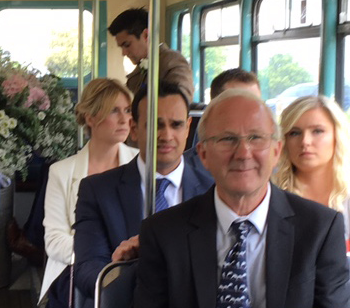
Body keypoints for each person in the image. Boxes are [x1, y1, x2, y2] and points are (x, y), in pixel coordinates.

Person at [135, 89, 350, 308]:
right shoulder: (164, 233)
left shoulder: (320, 229)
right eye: (228, 139)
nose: (243, 153)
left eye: (256, 138)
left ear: (276, 151)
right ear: (203, 154)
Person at [73, 82, 213, 308]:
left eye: (176, 125)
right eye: (156, 125)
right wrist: (118, 268)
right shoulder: (98, 191)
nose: (166, 135)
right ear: (134, 128)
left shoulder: (212, 189)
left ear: (188, 128)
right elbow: (87, 269)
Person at [39, 78, 139, 307]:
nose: (125, 119)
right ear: (91, 117)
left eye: (127, 110)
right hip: (74, 271)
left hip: (132, 269)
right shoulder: (61, 172)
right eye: (114, 111)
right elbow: (54, 241)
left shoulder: (141, 165)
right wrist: (97, 256)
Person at [273, 95, 350, 244]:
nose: (305, 142)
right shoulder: (270, 195)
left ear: (337, 135)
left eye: (317, 131)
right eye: (294, 133)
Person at [108, 7, 194, 102]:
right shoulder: (135, 76)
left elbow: (179, 102)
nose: (124, 53)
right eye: (121, 47)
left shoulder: (172, 62)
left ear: (146, 35)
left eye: (127, 45)